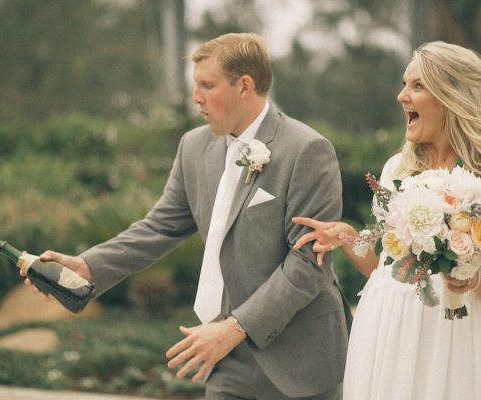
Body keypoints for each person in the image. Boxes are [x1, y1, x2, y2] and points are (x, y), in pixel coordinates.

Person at [33, 33, 351, 400]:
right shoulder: (193, 147)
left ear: (244, 86)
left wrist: (235, 327)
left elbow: (306, 264)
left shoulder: (307, 149)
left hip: (300, 360)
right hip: (226, 358)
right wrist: (87, 266)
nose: (195, 97)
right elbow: (160, 227)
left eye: (207, 85)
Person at [293, 41, 481, 400]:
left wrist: (470, 280)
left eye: (417, 86)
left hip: (454, 332)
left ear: (451, 96)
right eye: (403, 83)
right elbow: (390, 269)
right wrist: (348, 237)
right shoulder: (397, 170)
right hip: (387, 327)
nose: (401, 96)